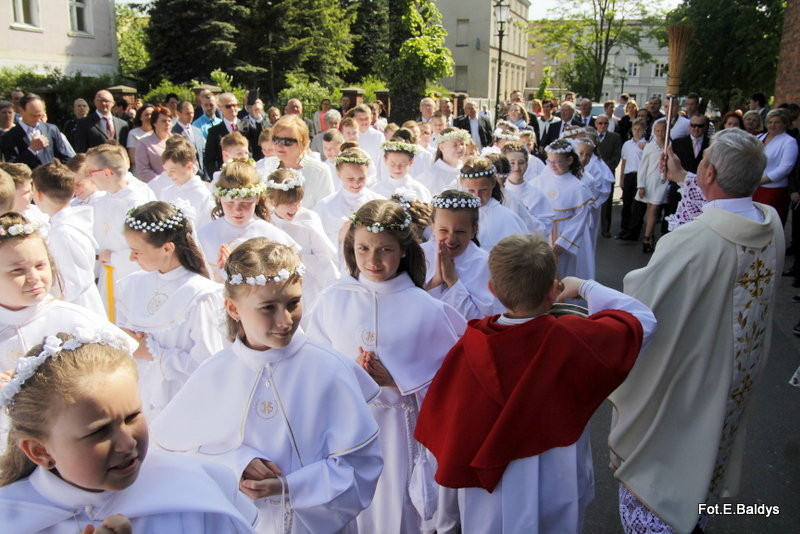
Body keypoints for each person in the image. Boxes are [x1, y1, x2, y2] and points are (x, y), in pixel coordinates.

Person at [416, 233, 655, 534]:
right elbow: (642, 320)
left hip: (488, 492)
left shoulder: (467, 348)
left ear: (492, 289)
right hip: (555, 478)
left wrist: (445, 518)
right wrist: (584, 286)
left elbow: (447, 431)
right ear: (553, 291)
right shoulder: (574, 337)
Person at [610, 127, 785, 534]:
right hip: (736, 375)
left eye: (702, 164)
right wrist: (681, 179)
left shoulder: (696, 241)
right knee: (709, 451)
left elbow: (643, 305)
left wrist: (587, 291)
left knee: (669, 460)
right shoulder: (770, 222)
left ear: (708, 173)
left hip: (692, 378)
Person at [153, 239, 382, 533]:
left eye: (293, 303)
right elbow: (173, 453)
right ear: (233, 308)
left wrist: (290, 486)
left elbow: (360, 466)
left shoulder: (329, 370)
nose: (285, 320)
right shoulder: (215, 373)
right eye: (268, 307)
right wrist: (235, 464)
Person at [305, 199, 467, 534]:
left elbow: (457, 384)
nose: (372, 260)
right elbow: (312, 364)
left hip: (400, 430)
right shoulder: (333, 298)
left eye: (384, 250)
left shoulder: (427, 309)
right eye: (363, 248)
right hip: (348, 430)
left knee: (396, 510)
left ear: (404, 250)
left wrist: (398, 381)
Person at [0, 331, 258, 533]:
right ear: (40, 451)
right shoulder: (12, 517)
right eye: (98, 432)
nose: (126, 443)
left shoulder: (192, 492)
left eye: (132, 416)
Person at [118, 202, 224, 418]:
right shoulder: (132, 285)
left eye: (137, 251)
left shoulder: (201, 294)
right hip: (138, 394)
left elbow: (209, 362)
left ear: (167, 248)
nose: (131, 258)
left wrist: (154, 354)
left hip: (181, 401)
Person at [0, 211, 133, 373]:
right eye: (18, 270)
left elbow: (122, 369)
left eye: (40, 266)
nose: (34, 277)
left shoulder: (76, 321)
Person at [197, 159, 297, 281]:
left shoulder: (272, 235)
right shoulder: (204, 236)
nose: (237, 210)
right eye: (230, 202)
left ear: (257, 198)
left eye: (246, 202)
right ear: (220, 199)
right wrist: (219, 277)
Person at [85, 143, 156, 313]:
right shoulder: (102, 200)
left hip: (133, 278)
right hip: (109, 276)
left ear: (107, 173)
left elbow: (150, 246)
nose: (89, 177)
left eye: (91, 172)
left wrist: (115, 257)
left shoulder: (135, 204)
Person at [30, 161, 104, 316]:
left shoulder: (63, 233)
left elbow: (73, 283)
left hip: (76, 308)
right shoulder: (62, 224)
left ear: (39, 194)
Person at [264, 169, 339, 306]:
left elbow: (324, 256)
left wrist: (332, 285)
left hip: (310, 286)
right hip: (278, 288)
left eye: (298, 202)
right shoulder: (267, 223)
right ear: (272, 201)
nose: (294, 208)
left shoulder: (308, 218)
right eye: (288, 204)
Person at [421, 190, 498, 320]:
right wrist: (436, 282)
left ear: (473, 230)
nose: (451, 239)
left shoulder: (484, 263)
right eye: (443, 230)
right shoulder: (420, 255)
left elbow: (481, 319)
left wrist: (452, 281)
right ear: (433, 226)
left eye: (460, 231)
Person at [532, 139, 596, 279]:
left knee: (567, 271)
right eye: (550, 162)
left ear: (569, 160)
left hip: (567, 233)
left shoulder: (578, 187)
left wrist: (563, 242)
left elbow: (580, 218)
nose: (552, 166)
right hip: (545, 233)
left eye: (557, 162)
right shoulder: (539, 182)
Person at [256, 115, 335, 209]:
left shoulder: (319, 171)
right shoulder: (267, 165)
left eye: (287, 142)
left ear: (303, 143)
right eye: (275, 140)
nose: (279, 145)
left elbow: (327, 210)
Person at [313, 147, 384, 250]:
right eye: (350, 179)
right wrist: (341, 234)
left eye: (362, 178)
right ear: (339, 174)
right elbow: (318, 243)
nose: (356, 183)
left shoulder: (379, 202)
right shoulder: (324, 206)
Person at [459, 156, 527, 250]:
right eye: (471, 191)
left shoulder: (506, 218)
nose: (477, 196)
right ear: (461, 183)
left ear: (493, 184)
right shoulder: (456, 213)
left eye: (483, 190)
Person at [0, 93, 75, 169]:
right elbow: (12, 167)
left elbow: (66, 157)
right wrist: (31, 150)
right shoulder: (9, 137)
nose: (38, 119)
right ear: (21, 111)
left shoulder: (51, 129)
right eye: (34, 115)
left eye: (40, 115)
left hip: (53, 178)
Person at [159, 135, 216, 230]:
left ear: (189, 166)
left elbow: (207, 226)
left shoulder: (203, 194)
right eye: (166, 170)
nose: (168, 175)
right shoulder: (166, 192)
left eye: (172, 170)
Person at [754, 109, 798, 224]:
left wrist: (761, 181)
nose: (772, 125)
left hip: (773, 189)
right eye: (770, 122)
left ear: (784, 124)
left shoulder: (789, 142)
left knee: (769, 222)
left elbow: (785, 167)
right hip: (754, 187)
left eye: (777, 122)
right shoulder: (759, 137)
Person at [205, 93, 261, 177]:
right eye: (228, 106)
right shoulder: (214, 132)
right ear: (219, 107)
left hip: (248, 174)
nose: (233, 108)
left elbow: (259, 147)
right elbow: (209, 160)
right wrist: (218, 177)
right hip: (226, 177)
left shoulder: (248, 126)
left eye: (235, 105)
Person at [635, 119, 670, 252]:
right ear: (654, 131)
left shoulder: (670, 146)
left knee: (655, 208)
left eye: (663, 130)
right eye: (658, 130)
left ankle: (647, 237)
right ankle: (650, 233)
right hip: (650, 181)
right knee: (651, 209)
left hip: (663, 181)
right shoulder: (650, 146)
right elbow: (643, 167)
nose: (660, 133)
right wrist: (641, 185)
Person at [617, 119, 647, 242]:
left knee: (638, 205)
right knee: (627, 203)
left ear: (644, 130)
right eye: (635, 129)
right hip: (629, 175)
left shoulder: (646, 144)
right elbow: (624, 161)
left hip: (640, 175)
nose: (637, 132)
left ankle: (634, 231)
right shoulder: (627, 144)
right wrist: (622, 177)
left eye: (640, 129)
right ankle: (624, 229)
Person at [419, 128, 469, 196]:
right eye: (455, 145)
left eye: (462, 144)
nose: (460, 148)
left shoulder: (467, 169)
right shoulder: (431, 175)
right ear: (442, 147)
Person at [596, 115, 622, 238]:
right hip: (593, 175)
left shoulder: (615, 137)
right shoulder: (591, 137)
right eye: (600, 123)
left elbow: (617, 157)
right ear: (596, 124)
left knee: (607, 202)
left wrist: (605, 168)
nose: (603, 126)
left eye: (606, 123)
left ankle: (605, 228)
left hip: (608, 174)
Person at [135, 106, 173, 183]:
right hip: (157, 187)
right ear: (154, 123)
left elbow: (192, 161)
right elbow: (143, 170)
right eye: (163, 121)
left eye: (169, 121)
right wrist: (163, 182)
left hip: (180, 186)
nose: (167, 123)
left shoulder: (179, 141)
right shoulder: (144, 143)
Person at [171, 100, 208, 181]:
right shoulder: (173, 133)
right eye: (187, 113)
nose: (191, 115)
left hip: (202, 175)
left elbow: (203, 153)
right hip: (186, 176)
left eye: (192, 113)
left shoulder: (197, 131)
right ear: (178, 113)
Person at [126, 104, 155, 170]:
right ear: (140, 117)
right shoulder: (133, 133)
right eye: (146, 115)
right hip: (140, 171)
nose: (149, 117)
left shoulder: (159, 132)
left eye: (152, 114)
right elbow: (133, 158)